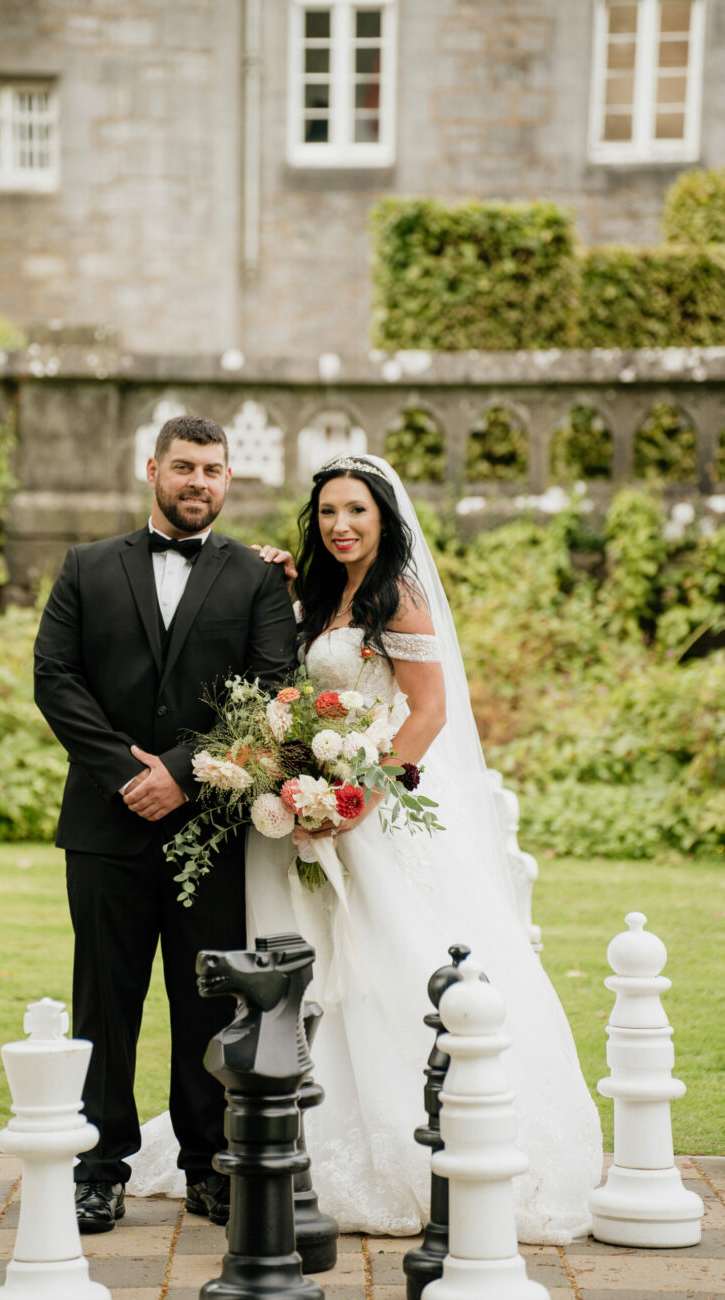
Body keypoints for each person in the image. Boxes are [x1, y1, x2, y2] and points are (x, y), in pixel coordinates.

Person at [128, 452, 602, 1244]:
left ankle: (412, 1146)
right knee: (300, 964)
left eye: (355, 512)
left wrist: (356, 798)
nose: (340, 526)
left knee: (384, 964)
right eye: (326, 514)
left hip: (371, 808)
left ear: (383, 516)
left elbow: (426, 714)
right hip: (302, 804)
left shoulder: (400, 599)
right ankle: (285, 1133)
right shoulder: (317, 596)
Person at [33, 414, 297, 1233]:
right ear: (151, 469)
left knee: (208, 1003)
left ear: (228, 481)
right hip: (104, 827)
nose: (198, 483)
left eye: (212, 471)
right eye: (183, 467)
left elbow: (271, 691)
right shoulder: (85, 566)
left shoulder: (256, 580)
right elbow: (55, 678)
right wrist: (127, 774)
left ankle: (206, 1168)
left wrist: (180, 777)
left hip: (209, 830)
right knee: (104, 1004)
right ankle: (98, 1169)